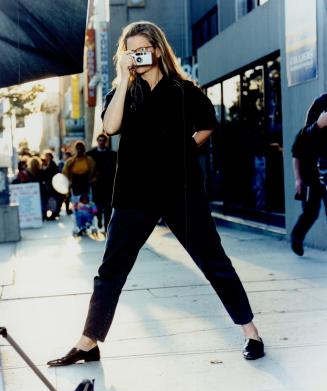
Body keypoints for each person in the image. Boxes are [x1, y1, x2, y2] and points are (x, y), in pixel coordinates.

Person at [47, 21, 264, 367]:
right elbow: (110, 127)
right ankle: (88, 342)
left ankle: (251, 332)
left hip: (181, 189)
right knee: (111, 269)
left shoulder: (184, 90)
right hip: (133, 193)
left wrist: (185, 150)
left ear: (158, 50)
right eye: (130, 50)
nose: (137, 55)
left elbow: (207, 125)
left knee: (214, 262)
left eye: (143, 48)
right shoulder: (121, 94)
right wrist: (121, 78)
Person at [291, 94, 327, 256]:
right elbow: (296, 155)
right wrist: (298, 179)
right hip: (309, 179)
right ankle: (296, 237)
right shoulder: (305, 134)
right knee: (311, 212)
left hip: (325, 177)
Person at [87, 133, 117, 231]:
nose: (102, 142)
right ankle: (99, 219)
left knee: (108, 207)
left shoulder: (112, 154)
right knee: (98, 206)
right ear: (97, 141)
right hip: (96, 185)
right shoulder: (91, 154)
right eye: (100, 140)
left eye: (103, 140)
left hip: (109, 184)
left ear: (106, 141)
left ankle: (106, 226)